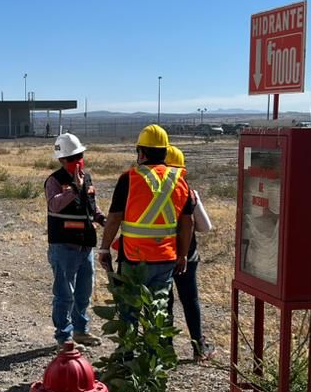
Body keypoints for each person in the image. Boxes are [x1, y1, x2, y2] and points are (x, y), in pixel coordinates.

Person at [98, 124, 194, 312]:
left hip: (134, 258)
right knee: (159, 315)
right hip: (165, 257)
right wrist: (182, 255)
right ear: (165, 153)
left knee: (129, 314)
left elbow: (114, 219)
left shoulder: (128, 179)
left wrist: (104, 248)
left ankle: (131, 342)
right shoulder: (179, 181)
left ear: (141, 153)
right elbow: (187, 223)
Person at [45, 132, 106, 348]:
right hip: (64, 246)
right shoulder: (54, 181)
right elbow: (54, 205)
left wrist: (101, 218)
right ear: (62, 160)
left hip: (85, 245)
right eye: (72, 158)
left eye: (80, 155)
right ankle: (64, 337)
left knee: (83, 293)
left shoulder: (87, 178)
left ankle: (81, 331)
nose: (77, 161)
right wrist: (74, 189)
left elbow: (91, 204)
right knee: (64, 295)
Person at [165, 145, 215, 362]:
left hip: (161, 255)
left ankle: (165, 349)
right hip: (187, 256)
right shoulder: (188, 191)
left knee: (164, 302)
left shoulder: (150, 191)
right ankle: (198, 346)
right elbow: (205, 226)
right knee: (190, 299)